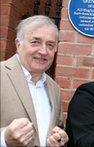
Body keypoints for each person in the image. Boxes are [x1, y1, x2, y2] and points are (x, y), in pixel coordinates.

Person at [0, 15, 68, 146]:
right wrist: (4, 139)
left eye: (50, 45)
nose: (43, 51)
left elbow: (57, 128)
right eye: (35, 42)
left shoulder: (54, 88)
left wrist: (57, 140)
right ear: (18, 44)